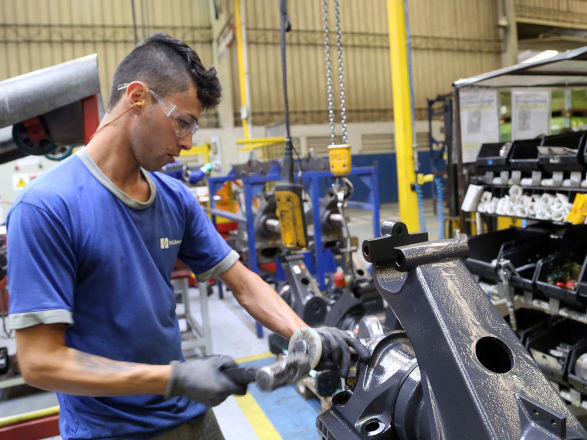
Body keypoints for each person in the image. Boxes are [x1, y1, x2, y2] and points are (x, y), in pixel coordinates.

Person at [6, 33, 368, 439]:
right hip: (112, 431)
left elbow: (242, 282)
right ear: (137, 98)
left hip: (191, 417)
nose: (188, 142)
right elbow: (39, 361)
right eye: (183, 122)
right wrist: (172, 378)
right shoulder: (47, 208)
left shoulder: (174, 198)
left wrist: (305, 335)